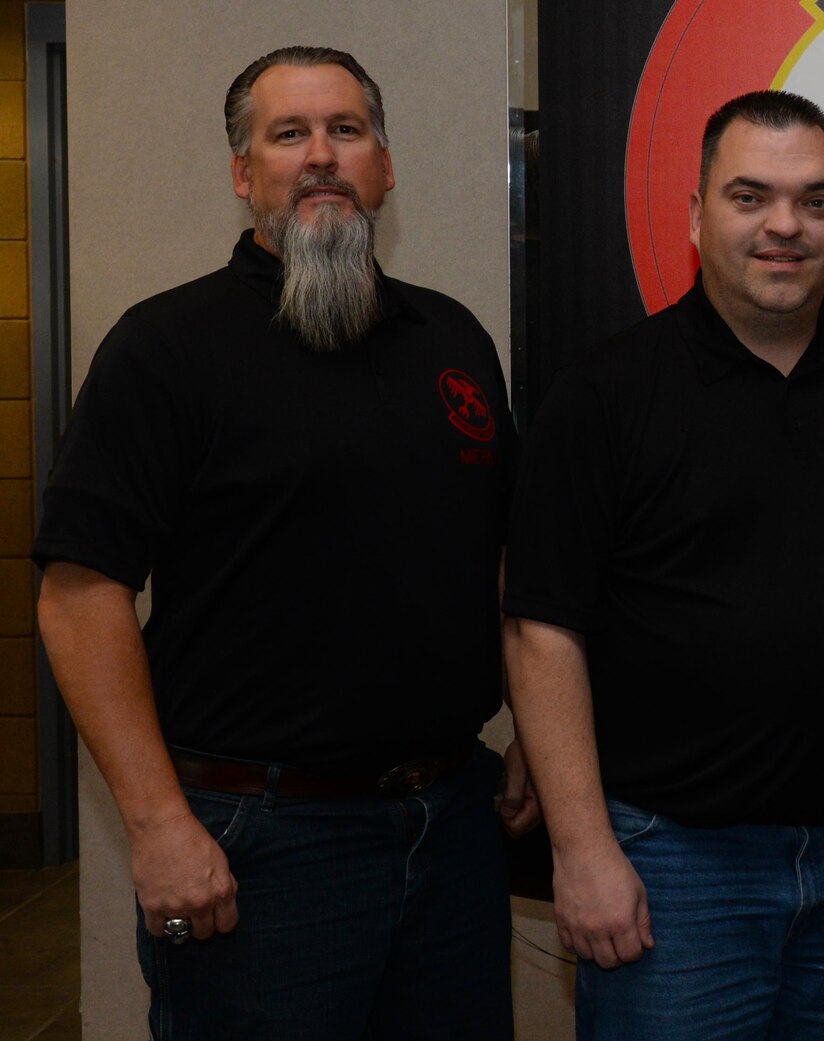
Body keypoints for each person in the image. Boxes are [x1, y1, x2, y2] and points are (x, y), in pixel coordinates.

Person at [32, 46, 524, 1039]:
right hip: (261, 847)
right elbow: (77, 597)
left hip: (453, 825)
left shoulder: (454, 341)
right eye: (287, 134)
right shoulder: (166, 349)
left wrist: (537, 747)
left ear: (384, 167)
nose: (320, 157)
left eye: (346, 131)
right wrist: (159, 824)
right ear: (242, 174)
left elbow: (507, 561)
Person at [502, 89, 824, 1041]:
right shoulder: (605, 394)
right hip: (673, 864)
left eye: (815, 200)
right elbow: (540, 628)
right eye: (750, 196)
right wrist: (583, 847)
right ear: (695, 214)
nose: (785, 225)